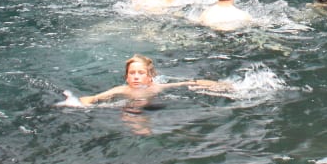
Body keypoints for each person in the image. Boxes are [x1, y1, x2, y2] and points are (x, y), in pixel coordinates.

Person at [63, 54, 229, 108]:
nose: (136, 76)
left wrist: (221, 85)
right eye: (132, 73)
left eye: (140, 73)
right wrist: (76, 103)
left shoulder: (157, 87)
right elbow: (94, 98)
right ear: (126, 77)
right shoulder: (121, 90)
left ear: (150, 77)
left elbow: (189, 83)